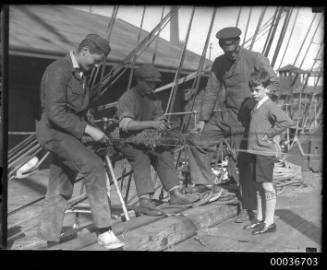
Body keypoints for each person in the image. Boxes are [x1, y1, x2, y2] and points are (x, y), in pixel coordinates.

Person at [36, 34, 124, 250]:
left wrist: (91, 128)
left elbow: (78, 110)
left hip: (69, 133)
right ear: (84, 50)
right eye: (96, 59)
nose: (97, 65)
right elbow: (55, 112)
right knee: (94, 167)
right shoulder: (59, 70)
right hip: (54, 133)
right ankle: (104, 231)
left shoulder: (81, 72)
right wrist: (88, 130)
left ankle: (50, 238)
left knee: (61, 183)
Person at [185, 27, 280, 224]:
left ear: (239, 42)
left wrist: (260, 107)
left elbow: (273, 84)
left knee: (244, 163)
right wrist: (202, 120)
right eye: (226, 49)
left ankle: (250, 209)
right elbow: (211, 92)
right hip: (226, 116)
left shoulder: (256, 58)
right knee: (195, 139)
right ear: (221, 46)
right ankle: (206, 186)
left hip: (248, 119)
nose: (231, 52)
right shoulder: (219, 63)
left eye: (233, 48)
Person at [116, 64, 199, 216]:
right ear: (139, 81)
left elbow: (158, 117)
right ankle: (145, 201)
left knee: (164, 154)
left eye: (154, 83)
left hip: (149, 139)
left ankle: (175, 194)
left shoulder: (154, 98)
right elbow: (125, 125)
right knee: (142, 158)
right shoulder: (128, 98)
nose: (152, 86)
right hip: (129, 141)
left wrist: (163, 123)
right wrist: (153, 124)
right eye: (149, 82)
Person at [243, 70, 293, 234]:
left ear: (266, 89)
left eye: (257, 90)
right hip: (254, 151)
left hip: (264, 153)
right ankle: (260, 219)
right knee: (258, 186)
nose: (253, 93)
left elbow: (286, 121)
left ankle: (270, 223)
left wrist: (269, 135)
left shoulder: (269, 105)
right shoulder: (256, 106)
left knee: (267, 186)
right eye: (252, 90)